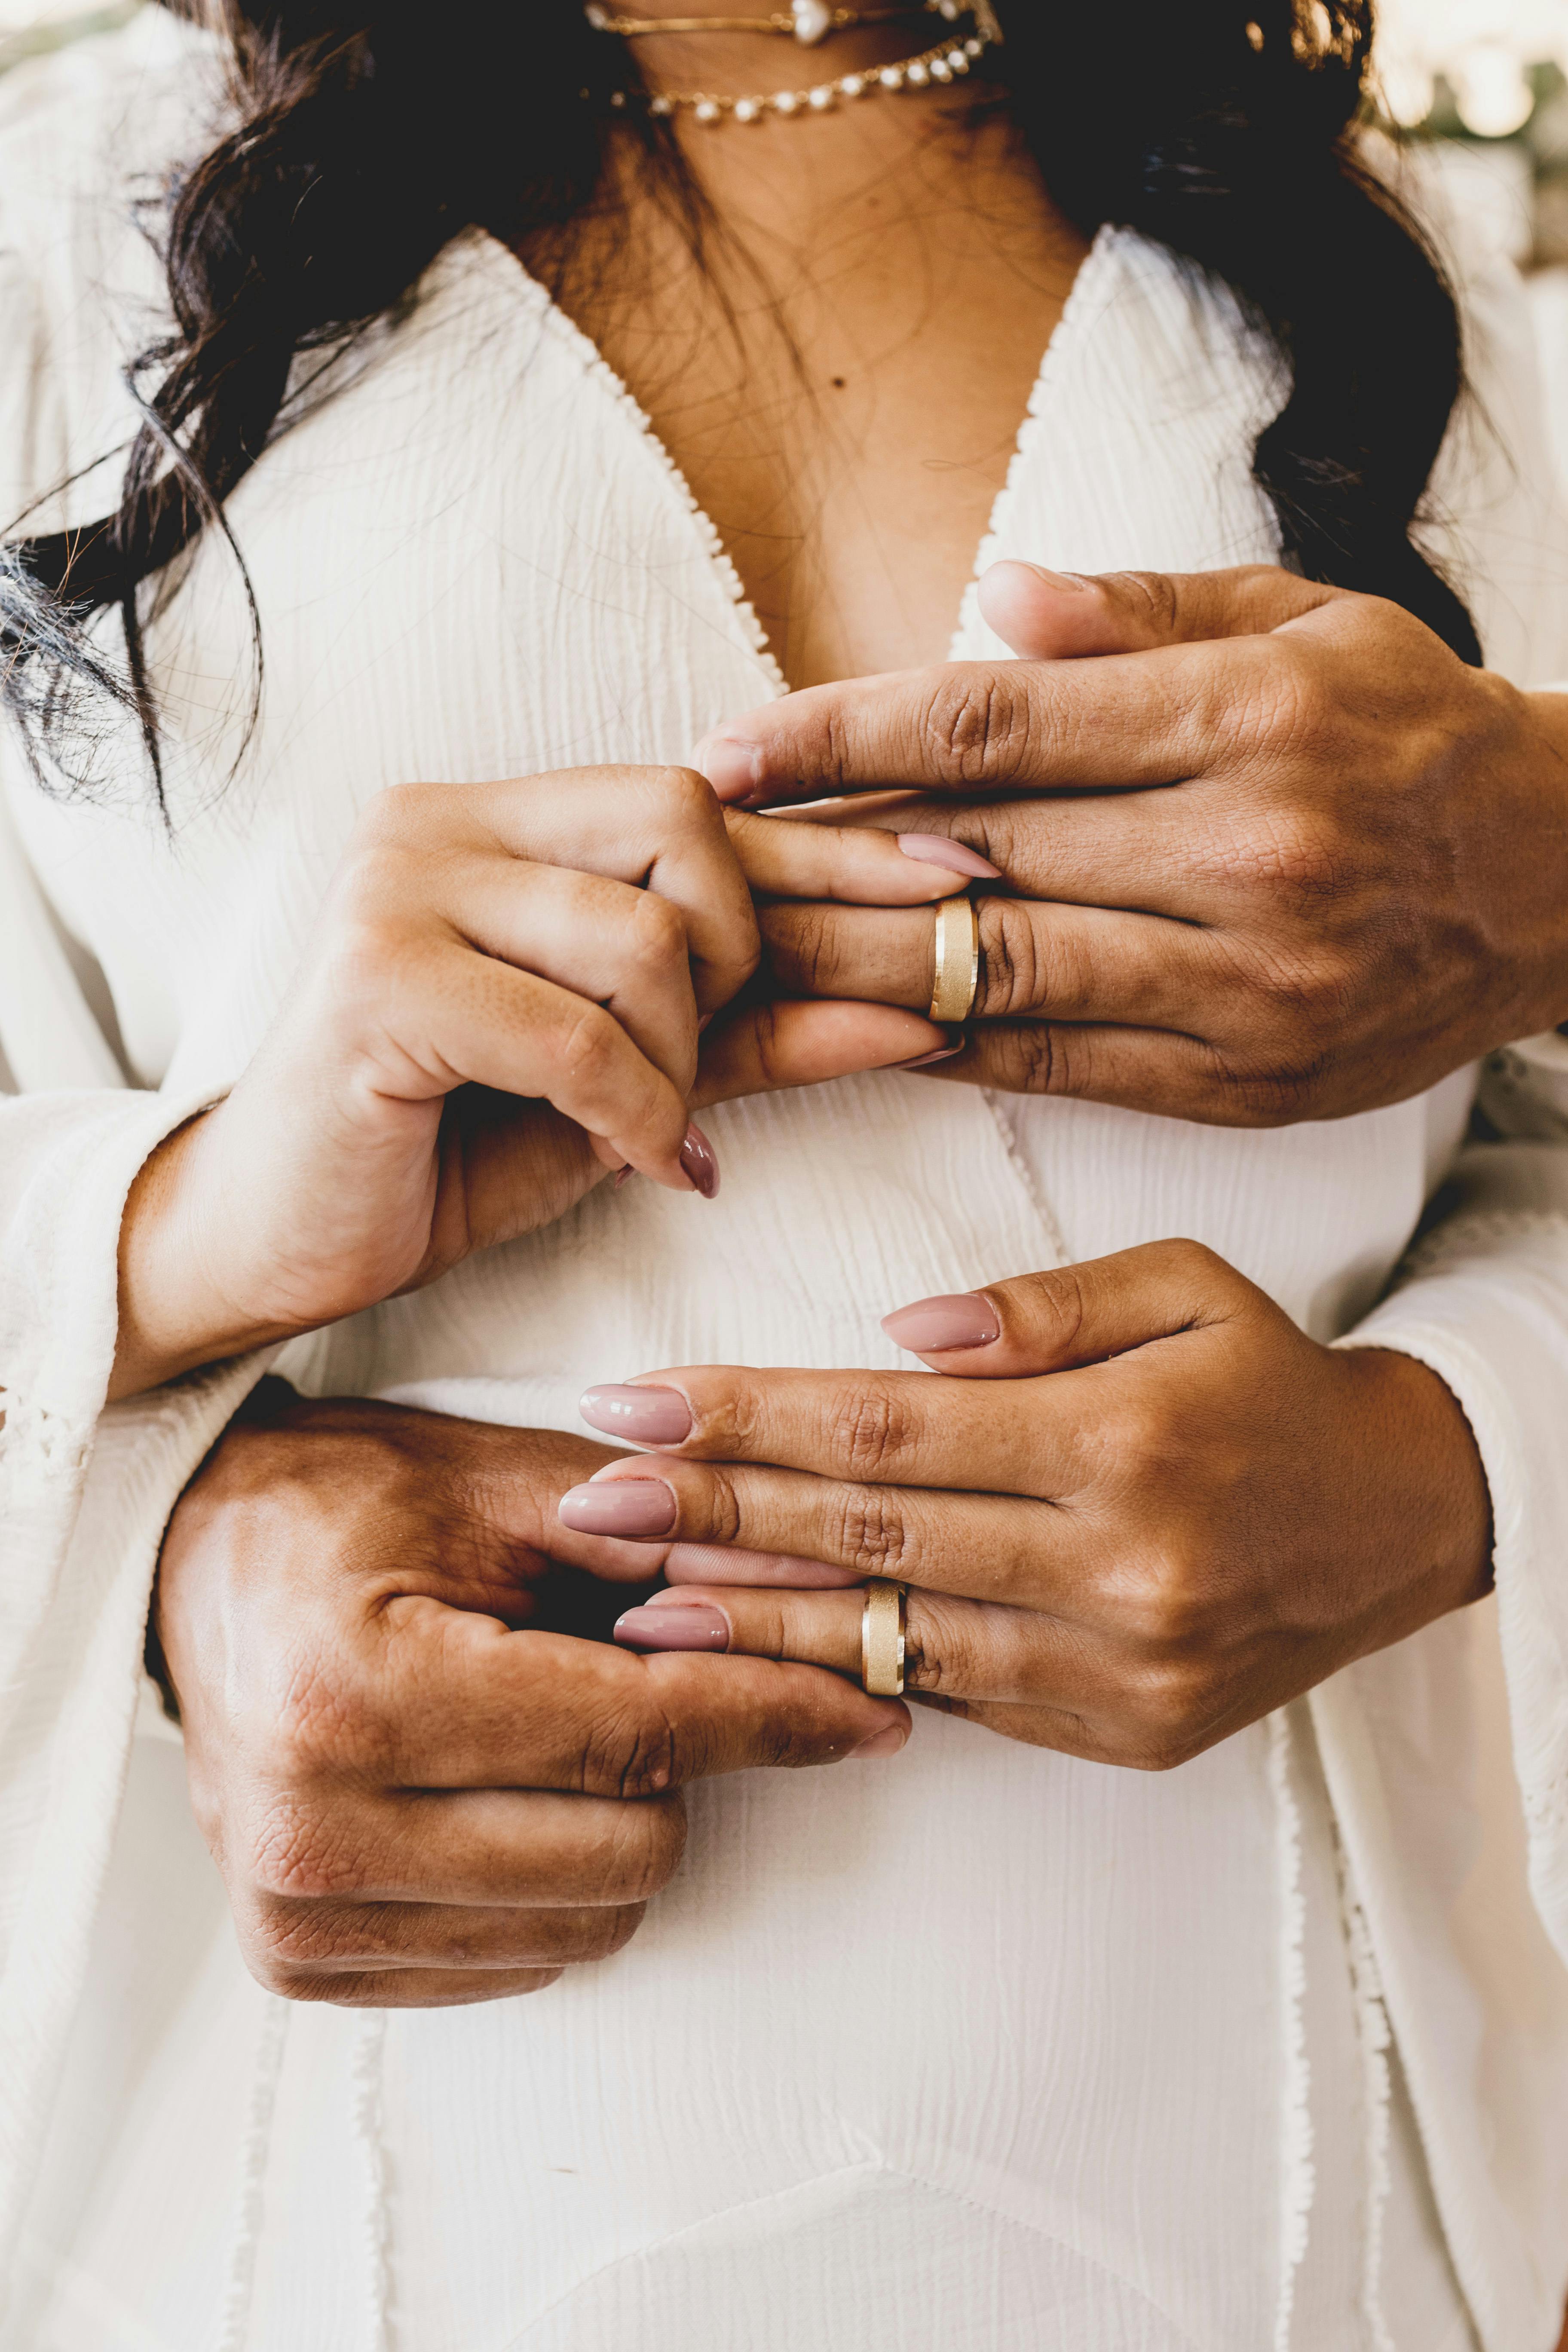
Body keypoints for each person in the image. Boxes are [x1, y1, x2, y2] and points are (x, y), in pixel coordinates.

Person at [3, 3, 1568, 2348]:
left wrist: (1452, 1465)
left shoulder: (1393, 277)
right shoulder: (55, 243)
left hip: (1275, 2209)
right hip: (350, 2226)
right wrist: (174, 1452)